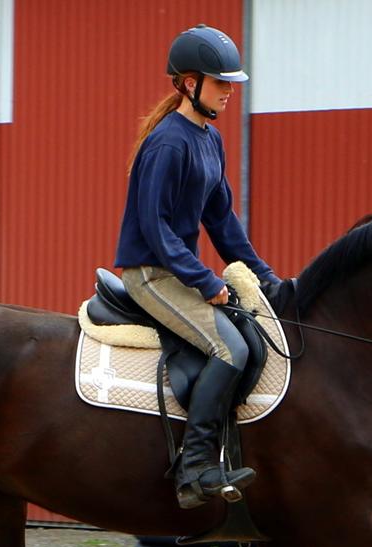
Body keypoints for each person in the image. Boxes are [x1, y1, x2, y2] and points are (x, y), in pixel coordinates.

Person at [115, 24, 280, 510]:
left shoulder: (209, 140)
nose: (230, 92)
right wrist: (204, 280)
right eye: (221, 82)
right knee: (229, 348)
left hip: (175, 270)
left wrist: (266, 276)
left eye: (231, 83)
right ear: (190, 83)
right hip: (150, 274)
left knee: (250, 335)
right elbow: (157, 227)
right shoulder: (169, 143)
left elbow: (222, 221)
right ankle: (195, 468)